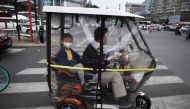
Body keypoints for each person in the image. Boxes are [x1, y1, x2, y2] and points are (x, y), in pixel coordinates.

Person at [82, 27, 130, 107]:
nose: (107, 38)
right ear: (101, 37)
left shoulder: (95, 45)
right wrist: (109, 59)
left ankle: (112, 90)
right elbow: (97, 63)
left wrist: (110, 58)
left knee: (113, 67)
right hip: (91, 74)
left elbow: (99, 59)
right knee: (116, 75)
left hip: (93, 70)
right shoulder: (96, 47)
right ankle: (118, 100)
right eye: (106, 36)